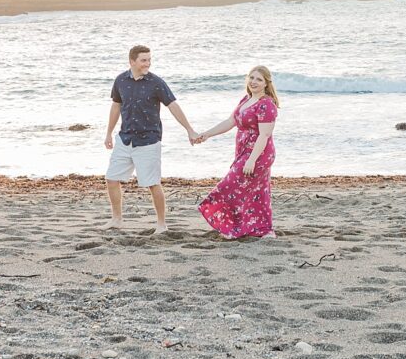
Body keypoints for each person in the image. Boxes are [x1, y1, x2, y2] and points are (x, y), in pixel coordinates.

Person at [105, 45, 198, 234]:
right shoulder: (121, 80)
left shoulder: (156, 82)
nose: (148, 63)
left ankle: (161, 224)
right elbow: (116, 106)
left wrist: (189, 129)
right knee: (111, 179)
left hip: (149, 140)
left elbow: (173, 106)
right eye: (143, 60)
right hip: (125, 138)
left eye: (149, 59)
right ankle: (117, 219)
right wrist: (108, 133)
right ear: (132, 61)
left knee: (153, 183)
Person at [194, 65, 279, 239]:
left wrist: (252, 160)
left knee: (229, 186)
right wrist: (207, 134)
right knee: (257, 192)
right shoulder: (245, 100)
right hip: (243, 151)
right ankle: (263, 230)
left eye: (259, 79)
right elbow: (230, 122)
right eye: (251, 77)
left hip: (258, 154)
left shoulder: (267, 104)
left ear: (266, 84)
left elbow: (264, 135)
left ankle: (235, 227)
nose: (254, 82)